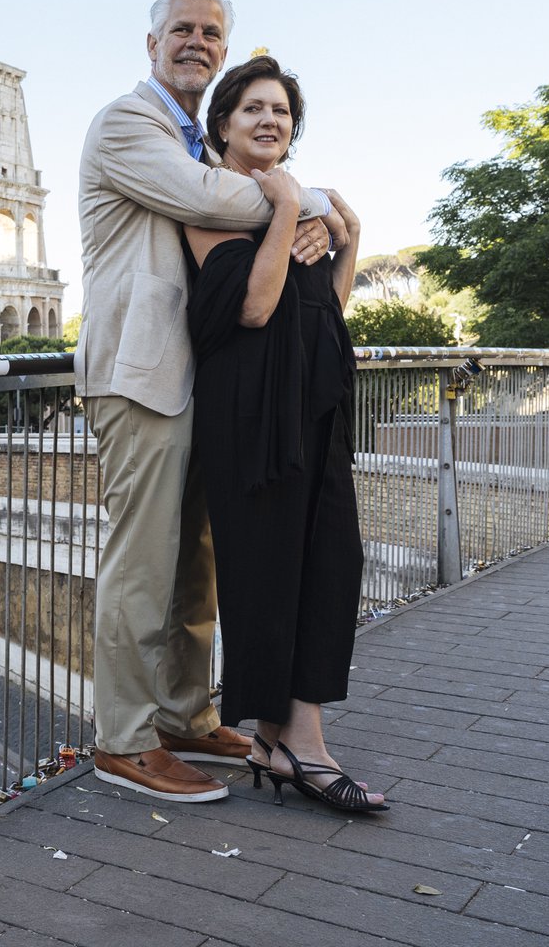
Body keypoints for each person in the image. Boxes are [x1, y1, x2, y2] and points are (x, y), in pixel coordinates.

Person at [75, 0, 340, 803]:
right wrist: (313, 202)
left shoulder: (192, 139)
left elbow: (229, 197)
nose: (198, 42)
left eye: (212, 32)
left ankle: (187, 715)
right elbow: (208, 196)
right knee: (142, 563)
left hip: (195, 378)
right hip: (137, 375)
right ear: (152, 43)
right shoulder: (128, 123)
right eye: (182, 29)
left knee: (195, 565)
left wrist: (306, 216)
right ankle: (124, 740)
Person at [183, 54, 385, 812]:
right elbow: (256, 307)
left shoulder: (297, 206)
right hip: (251, 413)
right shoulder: (211, 200)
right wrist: (287, 210)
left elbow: (324, 305)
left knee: (330, 563)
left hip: (315, 404)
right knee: (269, 573)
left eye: (283, 112)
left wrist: (347, 237)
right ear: (223, 124)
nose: (271, 121)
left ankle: (283, 740)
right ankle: (301, 744)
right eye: (254, 109)